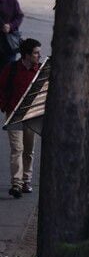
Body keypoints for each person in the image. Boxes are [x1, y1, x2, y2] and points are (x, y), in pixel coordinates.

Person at [0, 38, 41, 198]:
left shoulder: (39, 72)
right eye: (36, 53)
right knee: (17, 149)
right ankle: (16, 184)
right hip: (14, 114)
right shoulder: (12, 69)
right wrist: (4, 105)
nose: (39, 55)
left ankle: (26, 181)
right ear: (26, 55)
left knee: (29, 150)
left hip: (31, 115)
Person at [0, 0, 24, 68]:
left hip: (8, 44)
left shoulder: (11, 0)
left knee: (8, 70)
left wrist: (10, 26)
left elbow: (19, 16)